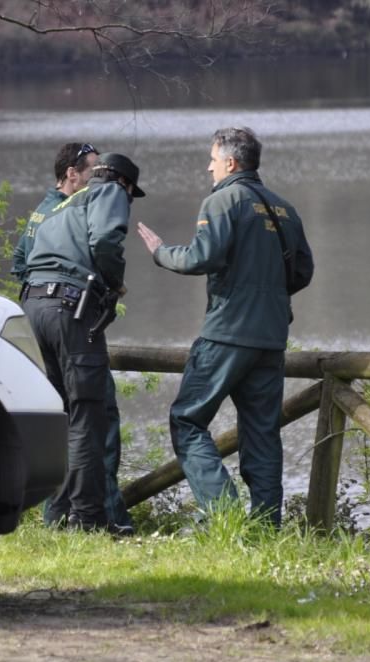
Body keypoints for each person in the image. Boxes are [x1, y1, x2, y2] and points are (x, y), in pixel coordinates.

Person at [136, 127, 313, 528]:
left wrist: (161, 253)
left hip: (227, 333)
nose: (209, 167)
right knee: (263, 434)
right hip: (271, 340)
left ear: (231, 163)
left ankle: (226, 516)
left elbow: (203, 257)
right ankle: (266, 528)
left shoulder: (223, 200)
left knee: (187, 419)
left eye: (212, 160)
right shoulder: (285, 208)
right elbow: (303, 272)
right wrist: (267, 293)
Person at [13, 143, 135, 534]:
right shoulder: (109, 191)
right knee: (87, 414)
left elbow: (22, 263)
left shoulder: (49, 210)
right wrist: (114, 284)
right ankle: (89, 520)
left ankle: (57, 517)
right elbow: (104, 242)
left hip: (33, 309)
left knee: (61, 415)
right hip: (69, 311)